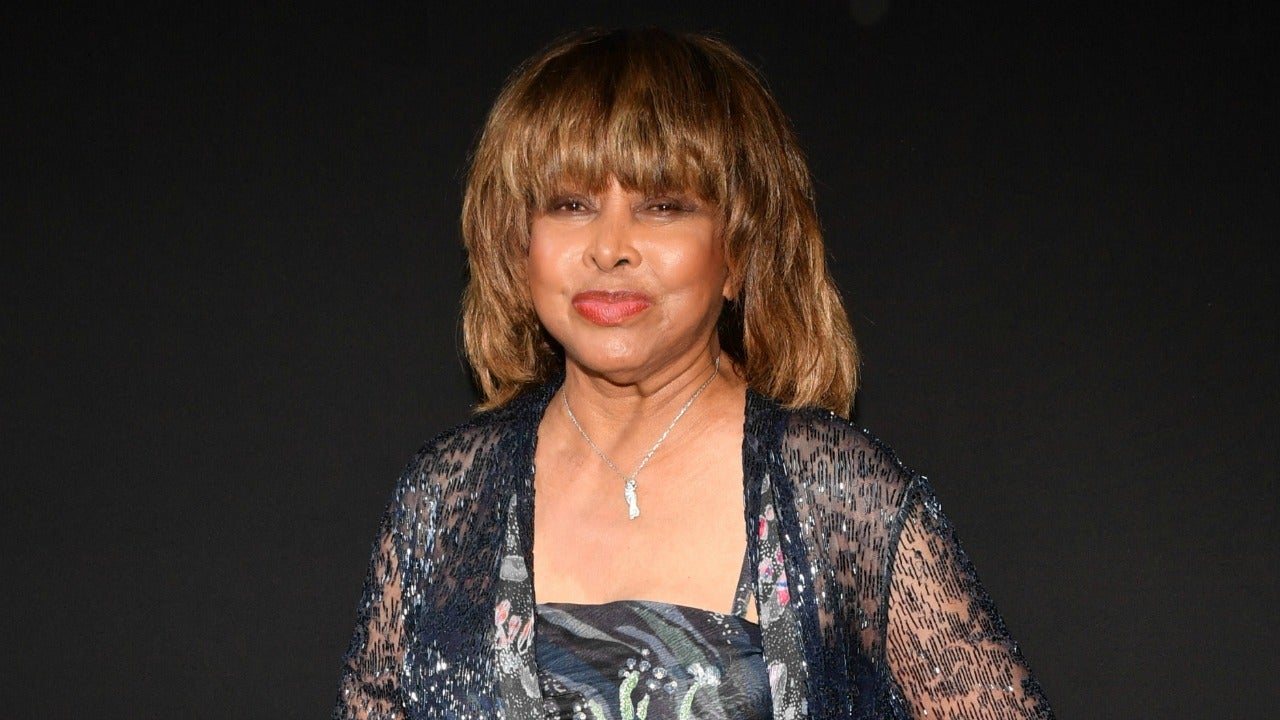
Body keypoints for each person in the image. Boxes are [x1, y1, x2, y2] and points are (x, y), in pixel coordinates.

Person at [334, 28, 1052, 720]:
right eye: (571, 204)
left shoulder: (837, 495)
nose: (609, 247)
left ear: (738, 251)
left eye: (663, 206)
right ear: (517, 246)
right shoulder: (443, 501)